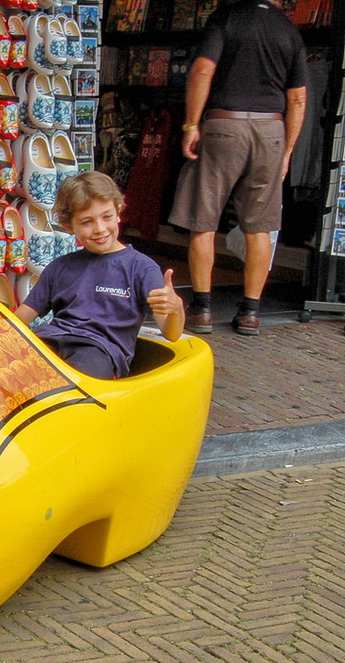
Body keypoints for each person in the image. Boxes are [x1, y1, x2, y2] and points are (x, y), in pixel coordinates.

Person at [168, 0, 308, 336]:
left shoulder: (226, 17)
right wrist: (287, 151)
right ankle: (250, 312)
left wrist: (191, 125)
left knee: (204, 220)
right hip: (271, 131)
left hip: (224, 125)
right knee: (259, 226)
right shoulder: (289, 31)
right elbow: (298, 99)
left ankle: (201, 308)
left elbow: (202, 70)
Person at [15, 171, 185, 380]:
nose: (100, 229)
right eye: (87, 222)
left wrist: (176, 308)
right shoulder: (60, 267)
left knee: (76, 380)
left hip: (100, 351)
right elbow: (19, 321)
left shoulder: (141, 268)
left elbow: (171, 333)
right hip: (51, 339)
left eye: (107, 217)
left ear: (119, 211)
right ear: (69, 226)